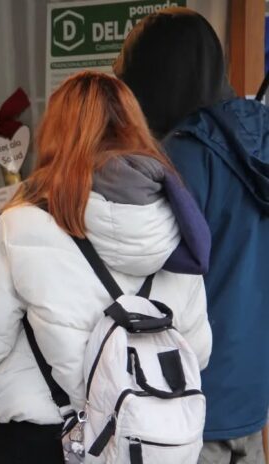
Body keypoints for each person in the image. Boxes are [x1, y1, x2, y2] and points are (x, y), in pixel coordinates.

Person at [0, 71, 212, 464]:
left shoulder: (20, 223)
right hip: (137, 442)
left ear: (53, 134)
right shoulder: (177, 230)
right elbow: (198, 352)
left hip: (34, 440)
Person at [114, 8, 268, 463]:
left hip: (184, 394)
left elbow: (138, 272)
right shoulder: (258, 142)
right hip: (250, 390)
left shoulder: (181, 157)